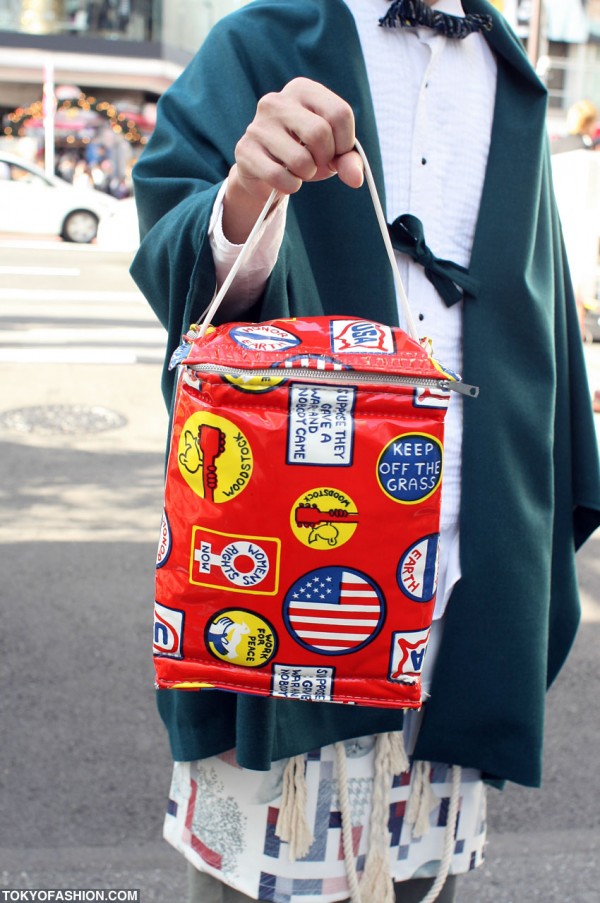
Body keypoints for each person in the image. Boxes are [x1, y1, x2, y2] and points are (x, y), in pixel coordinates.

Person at [130, 2, 600, 902]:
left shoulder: (512, 73)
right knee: (253, 884)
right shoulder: (260, 41)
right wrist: (244, 196)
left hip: (463, 576)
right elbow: (183, 254)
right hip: (288, 563)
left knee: (422, 880)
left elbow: (535, 301)